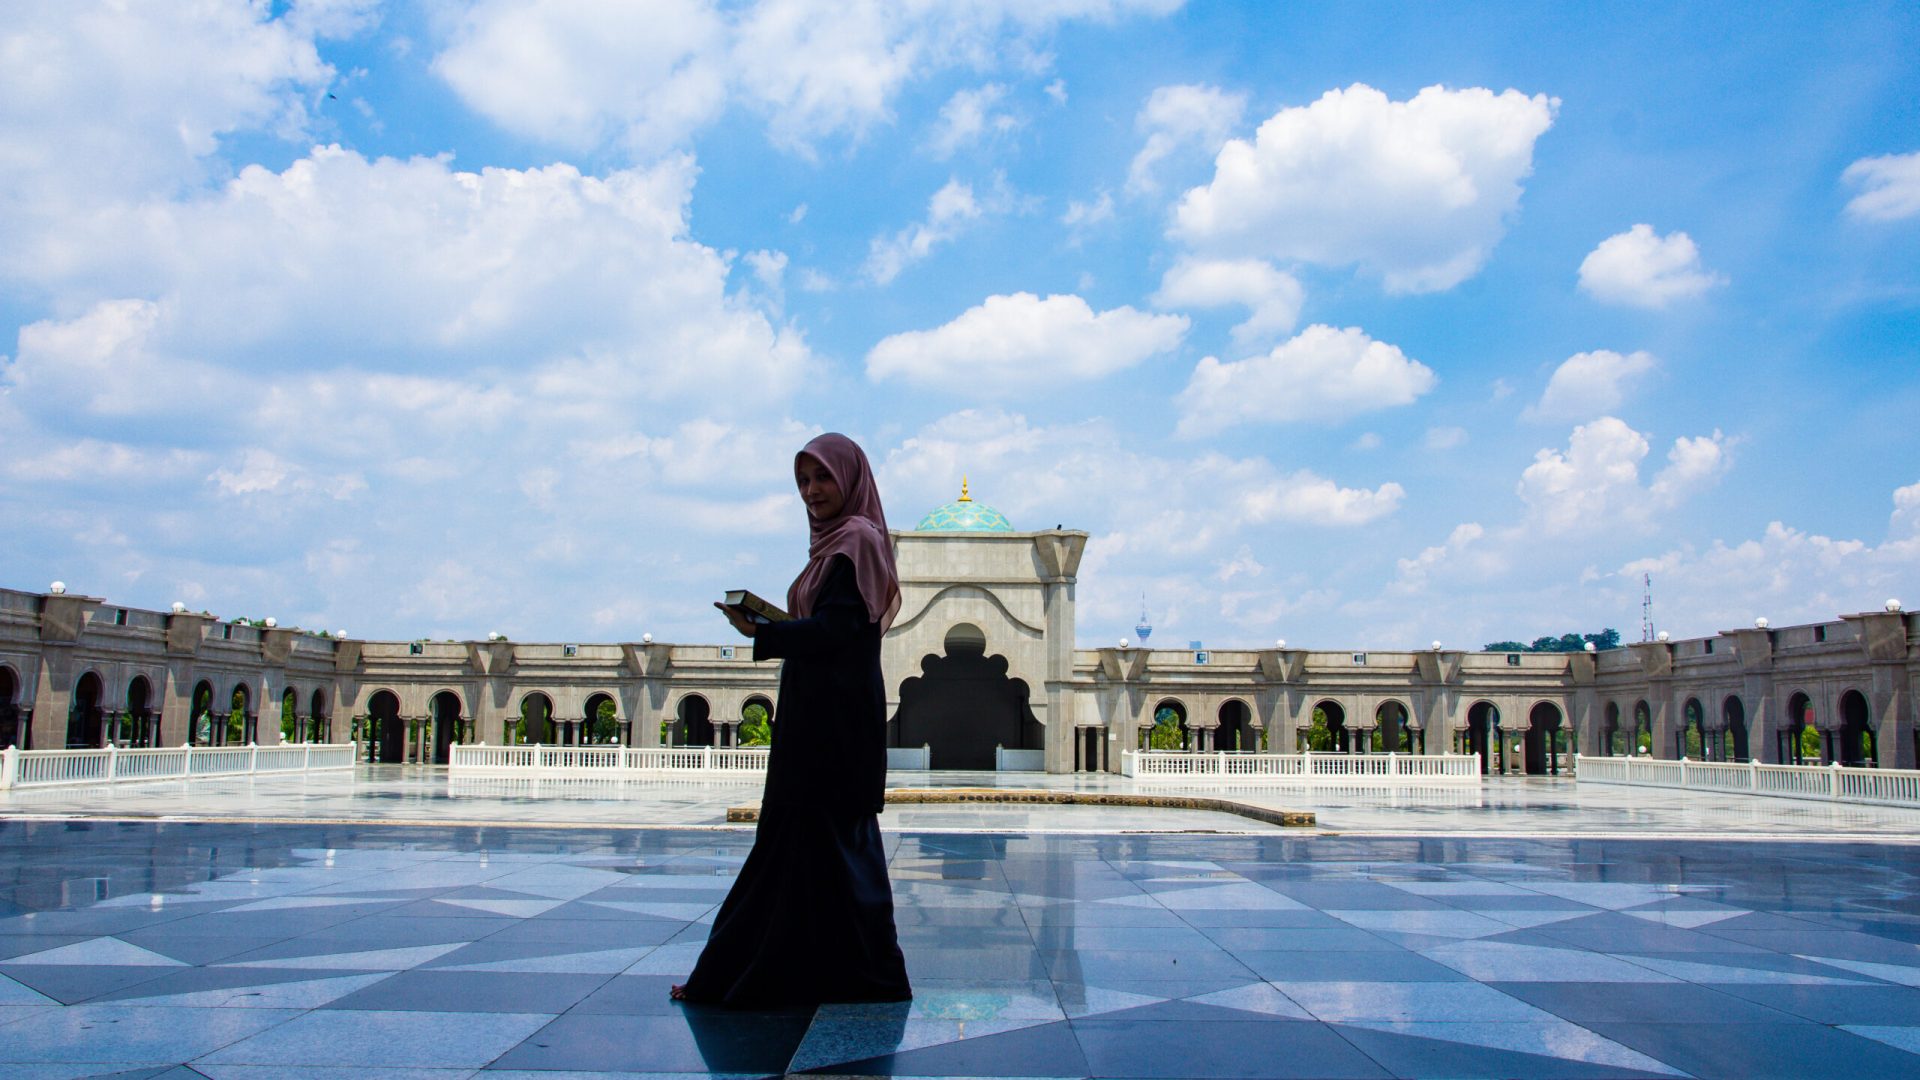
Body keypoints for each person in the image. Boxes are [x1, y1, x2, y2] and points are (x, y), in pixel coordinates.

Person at [671, 432, 912, 1007]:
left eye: (823, 477)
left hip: (831, 729)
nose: (812, 491)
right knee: (809, 849)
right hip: (819, 717)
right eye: (803, 481)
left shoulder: (857, 540)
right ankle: (811, 976)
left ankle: (770, 977)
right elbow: (834, 627)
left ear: (850, 477)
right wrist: (777, 628)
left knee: (820, 844)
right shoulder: (834, 546)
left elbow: (839, 630)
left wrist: (764, 633)